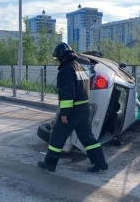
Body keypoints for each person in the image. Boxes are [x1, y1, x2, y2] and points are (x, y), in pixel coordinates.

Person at [37, 42, 108, 173]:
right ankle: (100, 162)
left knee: (58, 135)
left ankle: (50, 164)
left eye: (57, 58)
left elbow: (67, 93)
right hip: (84, 108)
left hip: (73, 110)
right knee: (87, 137)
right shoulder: (80, 67)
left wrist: (64, 113)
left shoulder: (67, 70)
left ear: (60, 56)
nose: (57, 61)